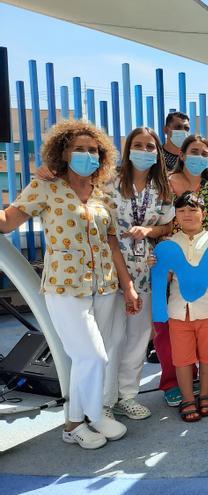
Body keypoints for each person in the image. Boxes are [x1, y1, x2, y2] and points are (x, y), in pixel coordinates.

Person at [0, 120, 136, 449]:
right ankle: (79, 420)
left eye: (93, 150)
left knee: (87, 358)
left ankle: (85, 420)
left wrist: (127, 285)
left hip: (104, 285)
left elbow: (113, 244)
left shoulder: (103, 195)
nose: (87, 154)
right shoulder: (45, 186)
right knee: (93, 357)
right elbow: (7, 222)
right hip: (65, 286)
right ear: (63, 151)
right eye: (79, 148)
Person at [107, 127, 175, 420]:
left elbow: (169, 226)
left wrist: (149, 230)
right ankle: (104, 400)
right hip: (110, 267)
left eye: (150, 146)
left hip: (145, 268)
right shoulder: (109, 181)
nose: (144, 151)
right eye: (138, 145)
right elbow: (107, 230)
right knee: (111, 335)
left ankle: (128, 396)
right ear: (127, 148)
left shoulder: (162, 188)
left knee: (138, 335)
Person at [153, 192, 208, 422]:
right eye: (182, 210)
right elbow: (164, 280)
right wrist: (156, 268)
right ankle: (188, 398)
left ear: (203, 213)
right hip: (179, 312)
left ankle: (205, 394)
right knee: (183, 359)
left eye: (193, 209)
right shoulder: (168, 244)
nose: (187, 214)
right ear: (175, 215)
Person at [167, 135, 208, 234]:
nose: (199, 157)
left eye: (204, 154)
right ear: (182, 155)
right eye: (194, 152)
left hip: (204, 248)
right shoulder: (163, 185)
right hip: (170, 247)